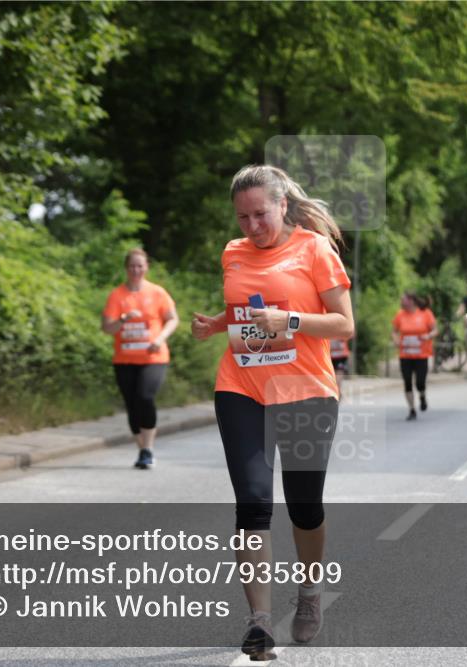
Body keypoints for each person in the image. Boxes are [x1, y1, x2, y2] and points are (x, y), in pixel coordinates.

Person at [190, 165, 353, 658]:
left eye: (260, 214)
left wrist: (292, 319)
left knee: (304, 507)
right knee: (253, 503)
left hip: (305, 390)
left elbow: (344, 325)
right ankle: (259, 623)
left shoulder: (313, 250)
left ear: (283, 206)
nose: (252, 226)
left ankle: (308, 594)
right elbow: (246, 311)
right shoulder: (232, 252)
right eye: (242, 217)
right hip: (241, 386)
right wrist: (217, 324)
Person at [101, 248, 179, 469]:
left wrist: (161, 338)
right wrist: (124, 319)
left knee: (145, 397)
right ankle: (142, 450)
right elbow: (107, 328)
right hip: (124, 359)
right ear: (126, 269)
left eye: (140, 265)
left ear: (146, 268)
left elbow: (173, 319)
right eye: (132, 266)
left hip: (153, 356)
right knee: (131, 404)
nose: (136, 270)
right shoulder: (117, 296)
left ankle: (148, 448)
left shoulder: (157, 293)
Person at [393, 293, 438, 419]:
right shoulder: (400, 315)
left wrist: (427, 336)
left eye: (404, 299)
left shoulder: (425, 313)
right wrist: (396, 340)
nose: (401, 301)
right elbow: (394, 331)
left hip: (421, 355)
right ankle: (412, 409)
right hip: (405, 355)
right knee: (407, 382)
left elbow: (435, 330)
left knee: (420, 383)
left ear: (411, 301)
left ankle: (422, 396)